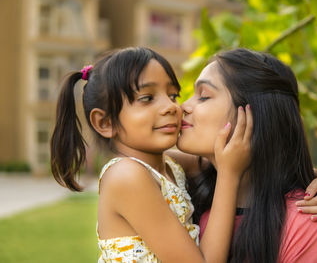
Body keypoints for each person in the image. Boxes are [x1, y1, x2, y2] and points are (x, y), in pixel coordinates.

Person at [50, 47, 253, 263]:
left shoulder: (170, 165)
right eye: (147, 98)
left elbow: (227, 156)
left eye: (173, 95)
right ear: (105, 122)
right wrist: (228, 174)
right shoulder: (127, 176)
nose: (171, 107)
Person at [174, 48, 317, 262]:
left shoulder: (308, 223)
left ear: (255, 114)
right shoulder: (187, 201)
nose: (183, 107)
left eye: (204, 96)